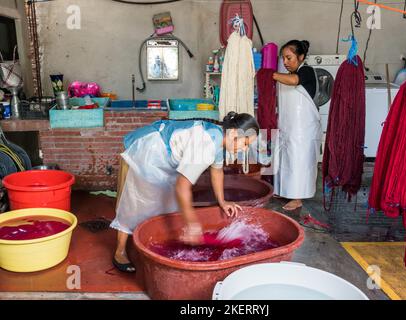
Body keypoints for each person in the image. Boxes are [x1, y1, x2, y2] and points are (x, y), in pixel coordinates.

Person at [110, 112, 259, 272]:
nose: (244, 149)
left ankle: (149, 239)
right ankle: (120, 250)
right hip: (151, 149)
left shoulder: (219, 138)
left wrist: (222, 201)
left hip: (166, 155)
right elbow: (182, 186)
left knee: (168, 202)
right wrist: (193, 225)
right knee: (137, 202)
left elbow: (217, 171)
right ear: (233, 133)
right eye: (245, 143)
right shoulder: (207, 144)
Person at [272, 40, 321, 211]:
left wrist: (270, 74)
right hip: (288, 125)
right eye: (283, 58)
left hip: (303, 129)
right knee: (284, 159)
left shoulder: (306, 71)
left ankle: (297, 197)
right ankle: (283, 190)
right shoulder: (286, 74)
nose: (285, 62)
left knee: (299, 162)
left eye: (289, 58)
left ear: (301, 57)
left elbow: (294, 81)